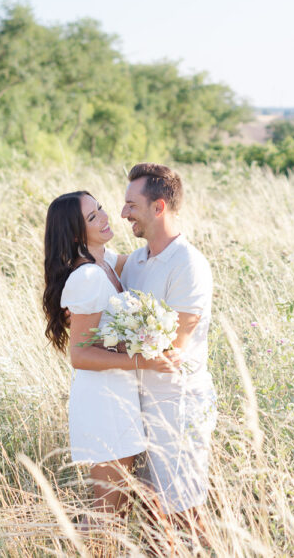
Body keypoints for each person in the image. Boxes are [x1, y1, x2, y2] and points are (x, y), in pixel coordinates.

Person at [42, 190, 182, 518]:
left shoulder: (103, 262)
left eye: (100, 208)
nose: (105, 217)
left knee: (119, 509)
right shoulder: (88, 276)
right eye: (93, 218)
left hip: (119, 396)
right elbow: (79, 355)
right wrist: (142, 360)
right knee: (108, 511)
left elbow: (144, 260)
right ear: (77, 234)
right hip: (102, 402)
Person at [120, 163, 216, 528]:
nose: (124, 212)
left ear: (158, 207)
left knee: (183, 511)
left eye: (131, 204)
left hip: (179, 404)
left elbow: (174, 344)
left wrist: (102, 355)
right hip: (139, 401)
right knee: (151, 509)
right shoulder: (137, 261)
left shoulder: (188, 264)